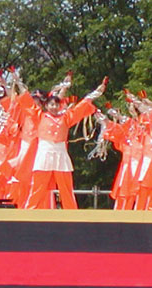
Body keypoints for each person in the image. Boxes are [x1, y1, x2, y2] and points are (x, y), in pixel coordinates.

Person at [24, 78, 107, 209]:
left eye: (56, 105)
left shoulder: (66, 118)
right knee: (38, 186)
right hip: (44, 151)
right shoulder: (39, 116)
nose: (54, 107)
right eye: (51, 104)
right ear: (46, 105)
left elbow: (81, 107)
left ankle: (71, 212)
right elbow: (27, 101)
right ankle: (29, 211)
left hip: (60, 152)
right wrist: (17, 83)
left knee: (66, 187)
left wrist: (97, 92)